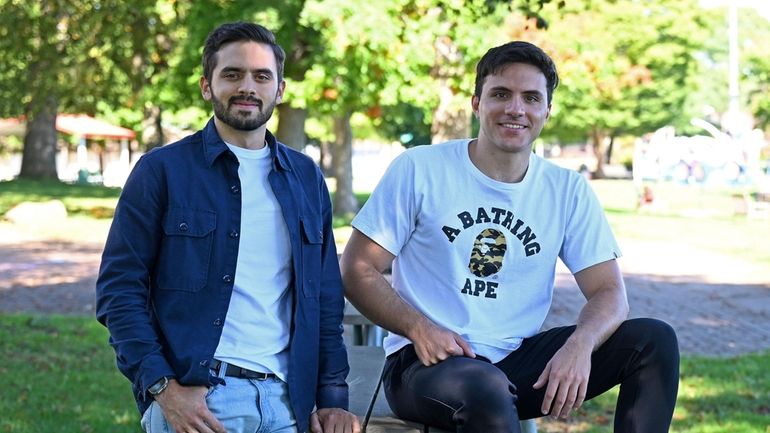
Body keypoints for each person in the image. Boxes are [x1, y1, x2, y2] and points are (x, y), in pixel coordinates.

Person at [340, 41, 679, 433]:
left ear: (546, 112)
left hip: (516, 361)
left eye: (531, 98)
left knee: (654, 341)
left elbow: (609, 293)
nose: (515, 109)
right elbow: (359, 268)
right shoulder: (420, 169)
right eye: (501, 94)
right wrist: (418, 328)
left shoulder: (566, 189)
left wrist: (580, 344)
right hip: (427, 362)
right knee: (486, 388)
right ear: (476, 103)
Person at [96, 21, 360, 433]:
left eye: (262, 76)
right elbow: (118, 291)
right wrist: (163, 388)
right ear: (207, 86)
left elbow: (324, 297)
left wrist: (333, 398)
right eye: (232, 74)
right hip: (200, 404)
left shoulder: (306, 178)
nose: (247, 88)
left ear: (280, 90)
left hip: (289, 404)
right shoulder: (162, 171)